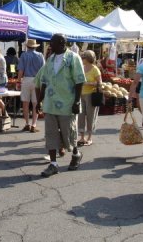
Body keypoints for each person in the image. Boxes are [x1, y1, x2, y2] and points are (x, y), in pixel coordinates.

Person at [35, 34, 86, 177]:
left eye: (53, 42)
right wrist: (39, 100)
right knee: (50, 134)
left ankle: (76, 154)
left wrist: (76, 101)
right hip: (50, 103)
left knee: (68, 132)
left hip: (67, 102)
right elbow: (44, 81)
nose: (50, 45)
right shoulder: (50, 59)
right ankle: (53, 164)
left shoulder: (73, 58)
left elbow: (79, 81)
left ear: (62, 43)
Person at [17, 39, 45, 133]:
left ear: (27, 46)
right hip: (37, 79)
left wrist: (18, 81)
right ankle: (34, 124)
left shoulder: (24, 55)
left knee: (25, 102)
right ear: (35, 46)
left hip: (26, 79)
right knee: (35, 103)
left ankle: (27, 124)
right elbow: (43, 70)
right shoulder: (40, 55)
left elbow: (21, 70)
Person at [77, 50, 102, 146]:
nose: (82, 58)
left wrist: (87, 83)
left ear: (88, 58)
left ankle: (90, 137)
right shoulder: (81, 68)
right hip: (81, 94)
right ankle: (82, 137)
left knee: (91, 116)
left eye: (83, 57)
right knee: (81, 115)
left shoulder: (95, 69)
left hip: (91, 95)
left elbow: (100, 83)